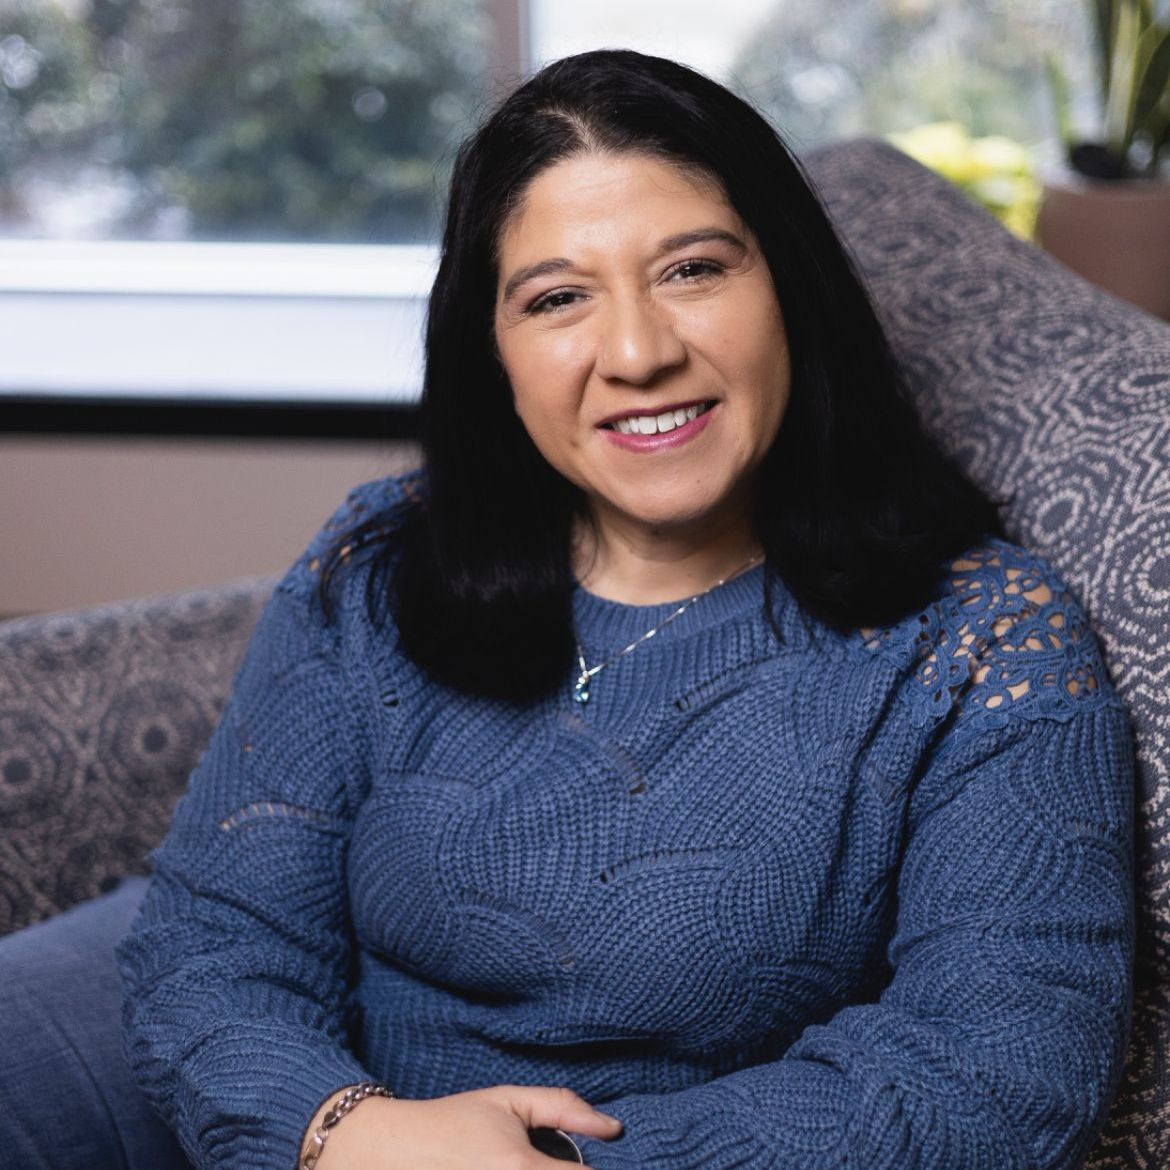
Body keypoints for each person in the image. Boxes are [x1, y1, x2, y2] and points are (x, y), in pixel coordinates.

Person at [0, 49, 1133, 1170]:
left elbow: (997, 1075)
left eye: (692, 270)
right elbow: (216, 937)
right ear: (492, 348)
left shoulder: (989, 641)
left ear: (790, 286)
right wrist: (346, 1131)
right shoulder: (385, 559)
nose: (637, 352)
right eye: (557, 298)